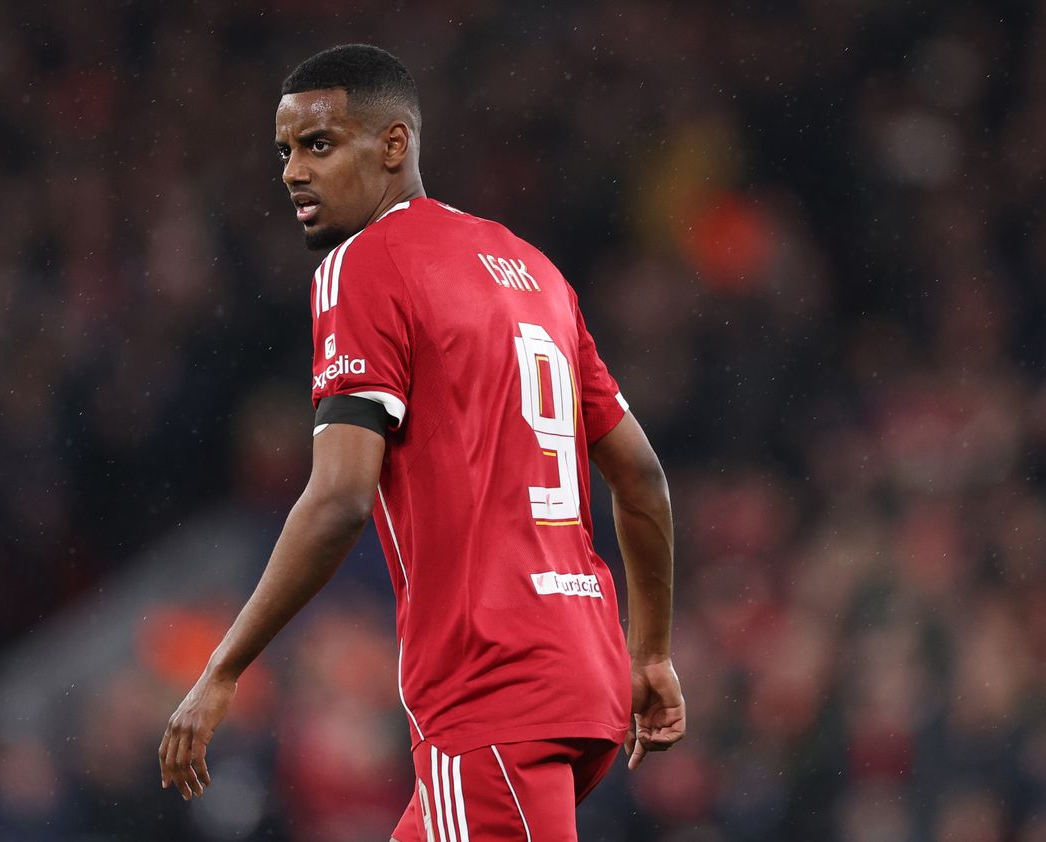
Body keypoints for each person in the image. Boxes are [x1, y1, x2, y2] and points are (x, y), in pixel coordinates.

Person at [158, 44, 686, 840]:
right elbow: (641, 478)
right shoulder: (534, 271)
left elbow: (337, 499)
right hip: (584, 672)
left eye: (320, 144)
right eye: (286, 151)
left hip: (490, 687)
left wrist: (223, 669)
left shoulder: (363, 267)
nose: (294, 171)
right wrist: (649, 656)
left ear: (394, 145)